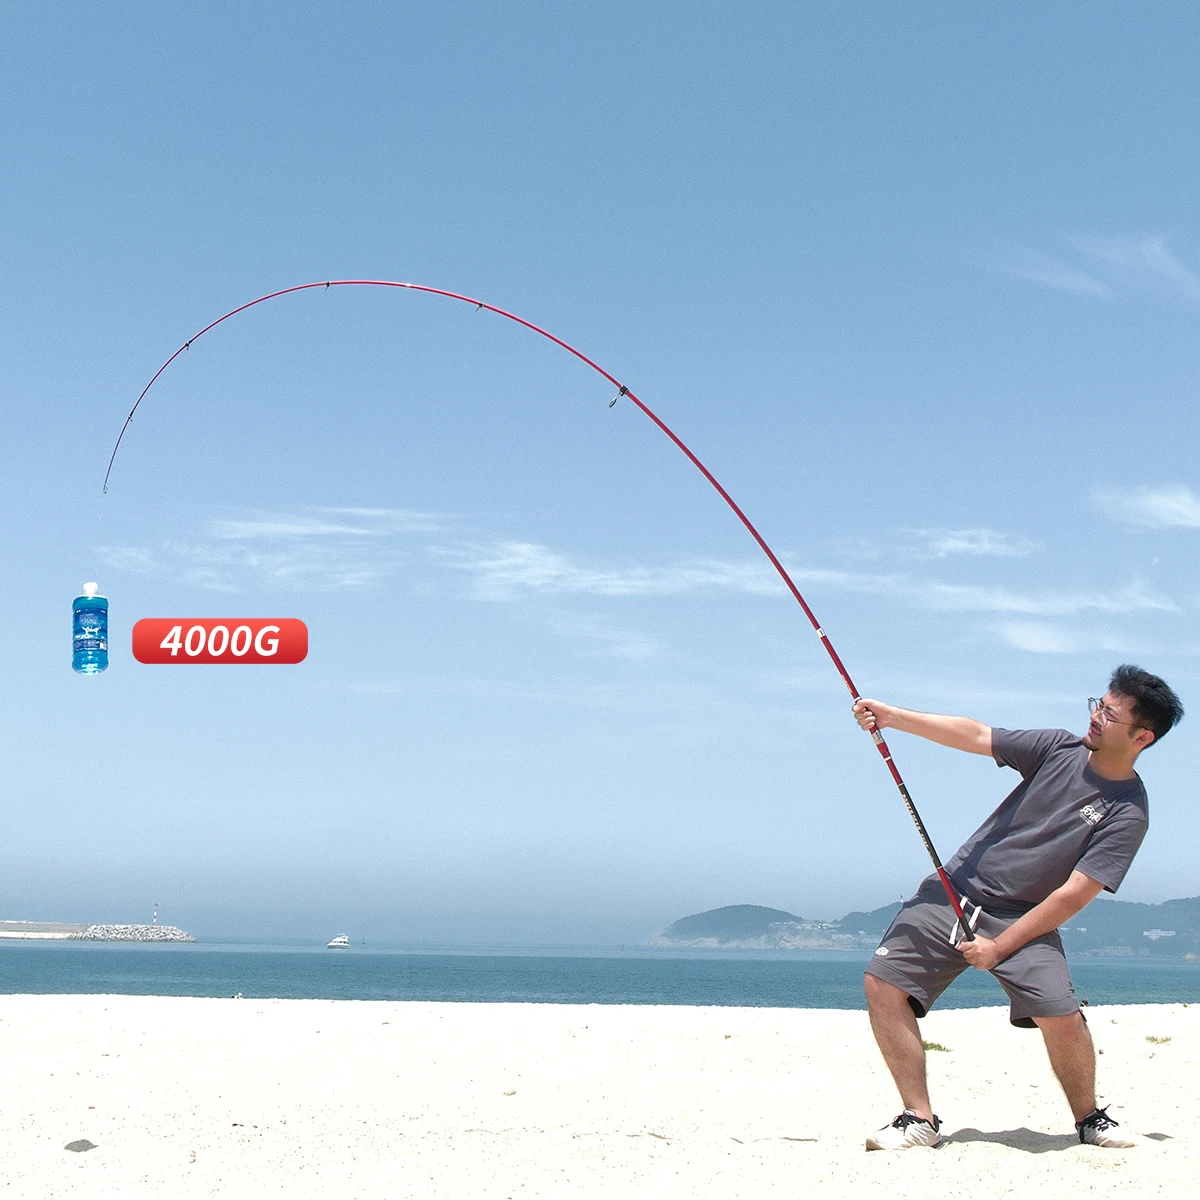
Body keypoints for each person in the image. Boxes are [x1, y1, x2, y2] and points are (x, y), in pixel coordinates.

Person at [851, 664, 1183, 1151]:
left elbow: (1074, 893)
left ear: (1142, 737)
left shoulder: (1128, 811)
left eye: (1110, 714)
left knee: (1062, 1016)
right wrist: (892, 717)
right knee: (882, 984)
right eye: (1098, 704)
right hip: (952, 890)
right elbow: (976, 735)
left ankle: (1090, 1118)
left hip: (1023, 917)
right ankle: (918, 1118)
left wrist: (1000, 946)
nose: (1095, 716)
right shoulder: (1056, 747)